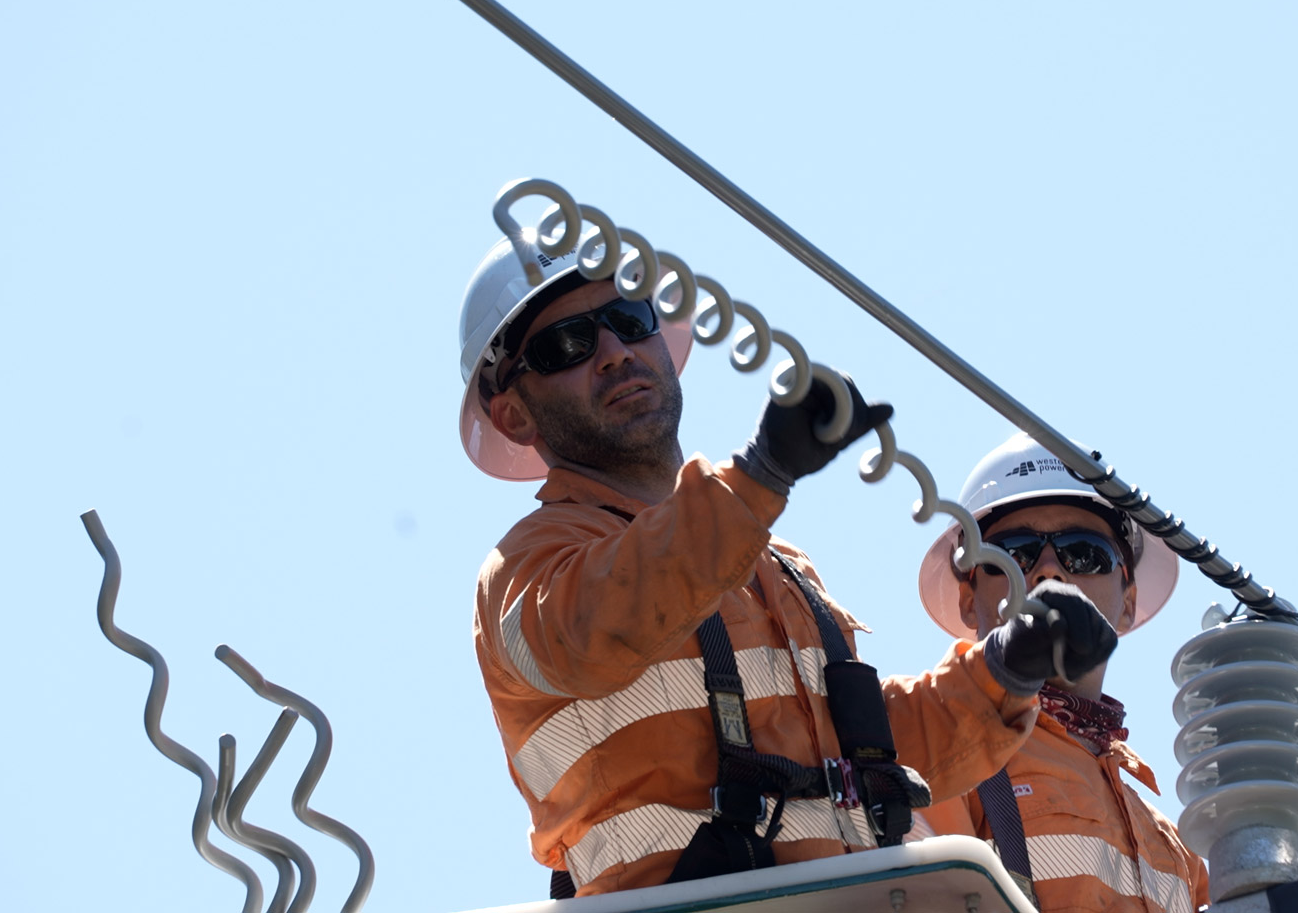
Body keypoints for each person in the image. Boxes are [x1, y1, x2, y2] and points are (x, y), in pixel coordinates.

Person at [458, 231, 1121, 897]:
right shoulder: (527, 567)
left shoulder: (773, 568)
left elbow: (872, 753)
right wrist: (759, 475)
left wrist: (1006, 666)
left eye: (629, 319)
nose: (612, 352)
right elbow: (605, 622)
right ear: (513, 415)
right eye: (565, 345)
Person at [915, 432, 1209, 913]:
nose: (1049, 571)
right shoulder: (941, 764)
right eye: (1014, 552)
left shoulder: (1179, 855)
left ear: (1128, 602)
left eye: (1084, 552)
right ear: (970, 598)